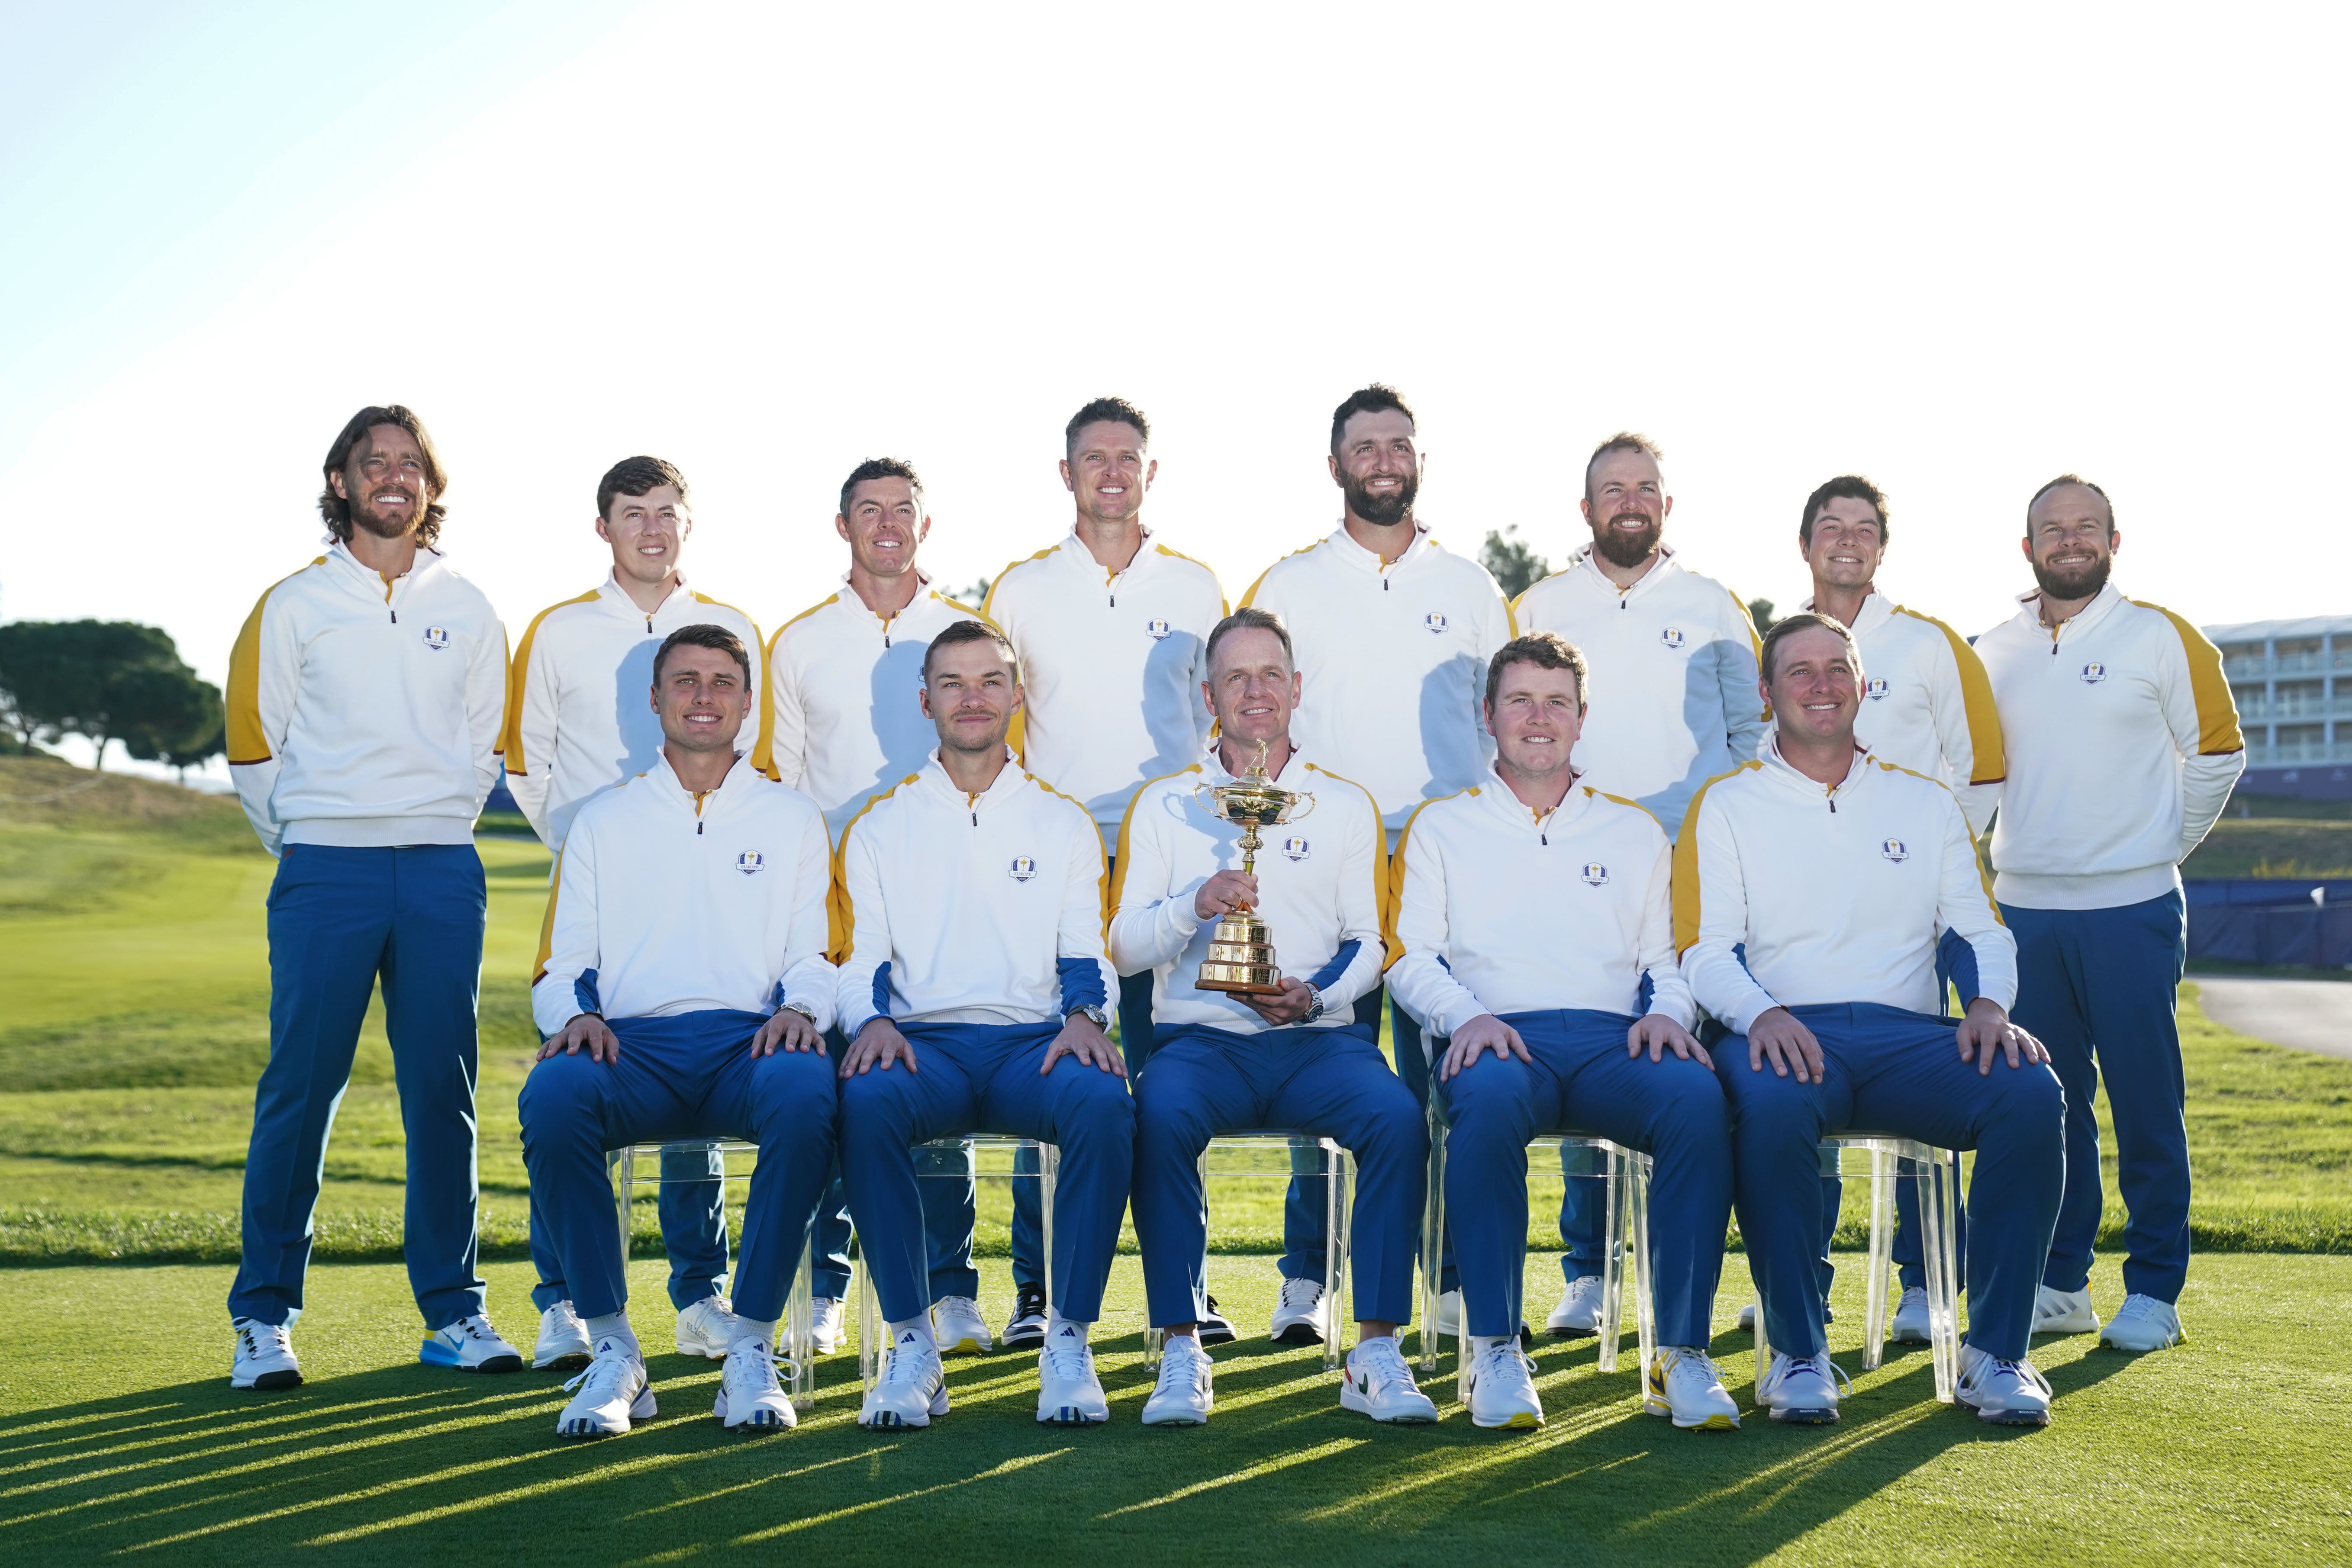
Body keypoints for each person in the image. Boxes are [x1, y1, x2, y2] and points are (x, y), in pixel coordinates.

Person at [1681, 612, 2065, 1427]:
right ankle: (1797, 1349)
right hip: (1781, 1031)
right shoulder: (1726, 806)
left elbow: (1977, 929)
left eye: (1837, 669)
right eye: (1799, 672)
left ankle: (1995, 1352)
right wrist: (1762, 1014)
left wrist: (1990, 1005)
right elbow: (1705, 951)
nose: (1821, 685)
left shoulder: (1922, 803)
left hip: (1907, 1040)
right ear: (1766, 694)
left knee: (2030, 1091)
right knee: (1773, 1103)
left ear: (1862, 685)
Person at [224, 404, 519, 1389]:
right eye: (372, 462)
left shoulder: (470, 605)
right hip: (327, 873)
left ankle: (454, 1313)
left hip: (440, 871)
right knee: (301, 1090)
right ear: (341, 482)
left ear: (429, 487)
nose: (392, 477)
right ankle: (263, 1317)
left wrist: (430, 824)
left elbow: (485, 747)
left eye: (409, 464)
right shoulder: (295, 604)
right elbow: (254, 745)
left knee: (446, 1092)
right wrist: (318, 833)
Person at [1389, 633, 1740, 1431]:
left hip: (1615, 1043)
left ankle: (1679, 1353)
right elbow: (1410, 959)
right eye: (1519, 700)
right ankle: (1494, 1348)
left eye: (1556, 703)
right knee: (1483, 1106)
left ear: (1582, 719)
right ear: (1488, 716)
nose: (1537, 718)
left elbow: (1668, 959)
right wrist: (1465, 1018)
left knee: (1695, 1098)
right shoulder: (1441, 828)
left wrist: (1667, 1015)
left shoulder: (1635, 832)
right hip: (1494, 1035)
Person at [1115, 607, 1436, 1427]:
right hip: (1200, 1042)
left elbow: (1372, 940)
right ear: (1209, 695)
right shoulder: (1163, 806)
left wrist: (1317, 997)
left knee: (1399, 1117)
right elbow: (1120, 947)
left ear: (1296, 690)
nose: (1254, 691)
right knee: (1154, 1115)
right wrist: (1195, 903)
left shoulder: (1343, 804)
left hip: (1318, 1041)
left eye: (1269, 676)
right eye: (1235, 677)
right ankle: (1183, 1346)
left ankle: (1374, 1349)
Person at [1237, 383, 1511, 1342]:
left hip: (1443, 860)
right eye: (1366, 446)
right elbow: (1250, 709)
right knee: (1330, 1064)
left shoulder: (1470, 586)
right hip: (1323, 858)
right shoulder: (1288, 583)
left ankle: (1438, 1276)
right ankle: (1308, 1281)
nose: (1384, 459)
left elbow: (1504, 718)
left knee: (1444, 1075)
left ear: (1418, 460)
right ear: (1334, 465)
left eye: (1399, 443)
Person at [521, 624, 838, 1438]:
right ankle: (615, 1349)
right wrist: (576, 1017)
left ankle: (751, 1348)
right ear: (656, 700)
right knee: (553, 1096)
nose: (704, 696)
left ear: (747, 702)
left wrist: (801, 1013)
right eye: (686, 681)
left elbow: (815, 955)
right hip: (632, 1046)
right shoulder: (604, 820)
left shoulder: (793, 817)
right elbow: (560, 966)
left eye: (722, 681)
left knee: (809, 1093)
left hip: (749, 1042)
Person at [832, 620, 1135, 1430]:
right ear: (924, 701)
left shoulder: (1061, 821)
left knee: (1106, 1101)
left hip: (1032, 1046)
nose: (972, 698)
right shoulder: (880, 824)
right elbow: (856, 960)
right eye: (953, 684)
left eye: (990, 681)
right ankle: (912, 1344)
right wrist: (868, 1022)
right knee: (863, 1101)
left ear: (1015, 694)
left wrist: (1085, 1016)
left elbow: (1085, 948)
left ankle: (1067, 1338)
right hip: (922, 1045)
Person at [502, 456, 769, 1372]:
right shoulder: (559, 629)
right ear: (603, 527)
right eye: (631, 514)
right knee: (574, 1070)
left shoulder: (731, 627)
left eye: (666, 514)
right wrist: (596, 846)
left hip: (711, 884)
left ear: (686, 525)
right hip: (601, 882)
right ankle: (565, 1298)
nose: (651, 530)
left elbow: (748, 750)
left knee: (700, 1064)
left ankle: (700, 1292)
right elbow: (525, 762)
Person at [983, 396, 1234, 1343]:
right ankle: (1039, 1292)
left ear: (1149, 472)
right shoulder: (1019, 589)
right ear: (1067, 474)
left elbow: (1220, 720)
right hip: (1054, 856)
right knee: (1050, 1058)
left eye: (1128, 457)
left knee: (1173, 1070)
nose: (1112, 472)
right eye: (1094, 458)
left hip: (1170, 849)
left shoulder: (1197, 586)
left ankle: (1187, 1287)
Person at [1506, 431, 1766, 1338]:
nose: (1630, 501)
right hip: (1577, 862)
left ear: (1666, 505)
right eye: (1611, 488)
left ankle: (1687, 1274)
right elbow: (1511, 722)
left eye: (1645, 488)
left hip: (1692, 866)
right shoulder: (1537, 602)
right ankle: (1587, 1272)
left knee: (1687, 1074)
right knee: (1588, 1046)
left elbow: (1747, 733)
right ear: (1584, 509)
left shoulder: (1712, 604)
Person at [1975, 476, 2243, 1353]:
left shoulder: (2160, 636)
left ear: (2112, 541)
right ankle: (2059, 1282)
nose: (2068, 541)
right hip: (2023, 911)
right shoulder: (1992, 651)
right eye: (2050, 530)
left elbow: (2216, 752)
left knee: (2143, 1101)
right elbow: (1975, 777)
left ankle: (2155, 1288)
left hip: (2129, 908)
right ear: (2026, 549)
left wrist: (2157, 843)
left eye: (2084, 527)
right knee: (2052, 1108)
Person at [762, 457, 1002, 1357]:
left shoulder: (965, 631)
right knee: (838, 1090)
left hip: (955, 895)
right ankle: (824, 1289)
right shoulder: (799, 641)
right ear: (843, 526)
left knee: (942, 1088)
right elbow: (779, 781)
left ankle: (950, 1291)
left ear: (925, 527)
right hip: (833, 905)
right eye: (869, 510)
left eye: (903, 510)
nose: (888, 525)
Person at [1763, 474, 2007, 1346]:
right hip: (1810, 924)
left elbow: (1978, 768)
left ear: (1880, 546)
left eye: (1862, 528)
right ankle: (1802, 1283)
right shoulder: (1783, 643)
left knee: (1922, 1095)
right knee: (1798, 1087)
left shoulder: (1930, 643)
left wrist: (1927, 868)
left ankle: (1922, 1286)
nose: (1845, 540)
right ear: (1804, 544)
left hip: (1918, 910)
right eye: (1828, 526)